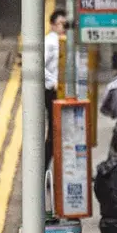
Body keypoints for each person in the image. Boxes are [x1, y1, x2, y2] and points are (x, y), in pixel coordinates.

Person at [44, 9, 68, 166]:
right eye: (61, 24)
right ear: (52, 25)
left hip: (61, 91)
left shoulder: (64, 41)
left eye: (66, 24)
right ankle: (44, 166)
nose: (63, 27)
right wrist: (53, 82)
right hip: (52, 92)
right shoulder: (50, 42)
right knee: (54, 131)